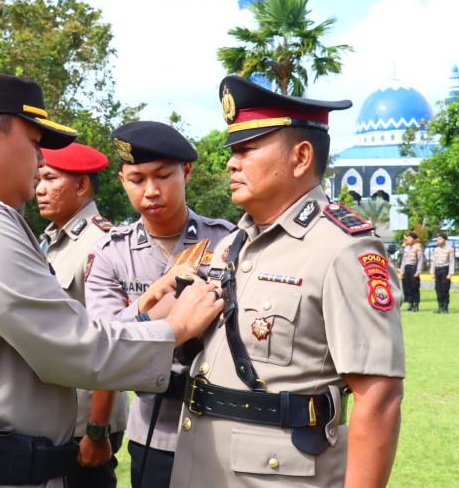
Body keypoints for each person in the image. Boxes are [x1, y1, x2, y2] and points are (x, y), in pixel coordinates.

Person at [0, 72, 224, 488]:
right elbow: (71, 348)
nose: (41, 162)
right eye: (34, 144)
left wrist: (140, 311)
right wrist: (175, 328)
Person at [170, 76, 405, 488]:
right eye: (232, 151)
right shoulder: (232, 244)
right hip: (201, 464)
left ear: (300, 158)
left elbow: (379, 398)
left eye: (246, 150)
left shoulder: (342, 249)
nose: (230, 163)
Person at [84, 120, 235, 488]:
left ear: (186, 172)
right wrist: (150, 305)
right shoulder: (111, 254)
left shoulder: (226, 242)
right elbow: (101, 342)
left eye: (163, 176)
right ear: (122, 181)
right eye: (137, 180)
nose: (151, 191)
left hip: (223, 428)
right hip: (154, 432)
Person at [35, 142, 129, 488]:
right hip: (57, 415)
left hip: (86, 423)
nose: (39, 189)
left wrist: (96, 428)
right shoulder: (49, 241)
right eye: (38, 179)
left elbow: (111, 341)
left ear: (81, 185)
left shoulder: (100, 244)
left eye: (49, 178)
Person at [430, 232, 455, 314]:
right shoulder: (436, 250)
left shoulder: (450, 249)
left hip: (445, 270)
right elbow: (433, 261)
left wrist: (450, 273)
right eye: (437, 239)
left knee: (445, 289)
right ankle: (440, 307)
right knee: (438, 289)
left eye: (440, 239)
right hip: (437, 270)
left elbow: (452, 262)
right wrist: (432, 272)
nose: (438, 241)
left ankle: (445, 307)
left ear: (444, 240)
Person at [399, 231, 423, 312]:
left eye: (409, 238)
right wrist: (402, 271)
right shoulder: (406, 248)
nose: (408, 239)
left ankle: (416, 304)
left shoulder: (417, 247)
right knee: (407, 287)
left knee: (414, 287)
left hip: (414, 268)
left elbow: (420, 260)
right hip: (407, 268)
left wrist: (418, 271)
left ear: (414, 239)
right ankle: (410, 303)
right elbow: (403, 261)